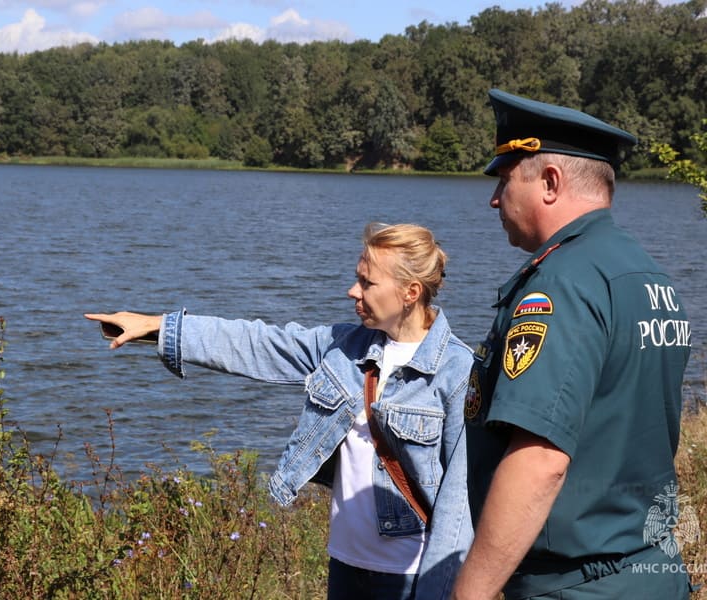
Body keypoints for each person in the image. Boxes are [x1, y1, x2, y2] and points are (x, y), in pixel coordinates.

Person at [86, 222, 473, 599]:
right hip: (345, 565)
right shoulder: (343, 345)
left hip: (407, 577)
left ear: (411, 291)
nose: (353, 290)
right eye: (358, 277)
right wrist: (159, 326)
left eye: (368, 283)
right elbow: (259, 343)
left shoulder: (457, 372)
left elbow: (459, 506)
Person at [451, 89, 694, 600]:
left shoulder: (560, 284)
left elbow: (540, 462)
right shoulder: (649, 276)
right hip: (650, 570)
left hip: (573, 585)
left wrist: (468, 594)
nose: (494, 199)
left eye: (504, 178)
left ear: (550, 182)